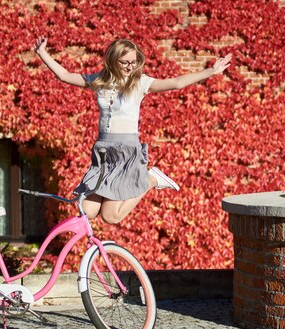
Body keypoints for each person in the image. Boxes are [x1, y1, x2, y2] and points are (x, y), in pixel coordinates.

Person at [34, 37, 232, 225]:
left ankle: (151, 179)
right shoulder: (99, 81)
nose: (130, 67)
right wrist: (42, 53)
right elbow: (65, 76)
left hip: (125, 151)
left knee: (111, 217)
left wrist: (210, 71)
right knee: (87, 211)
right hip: (103, 153)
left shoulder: (140, 83)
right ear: (112, 61)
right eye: (125, 62)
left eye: (133, 62)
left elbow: (176, 82)